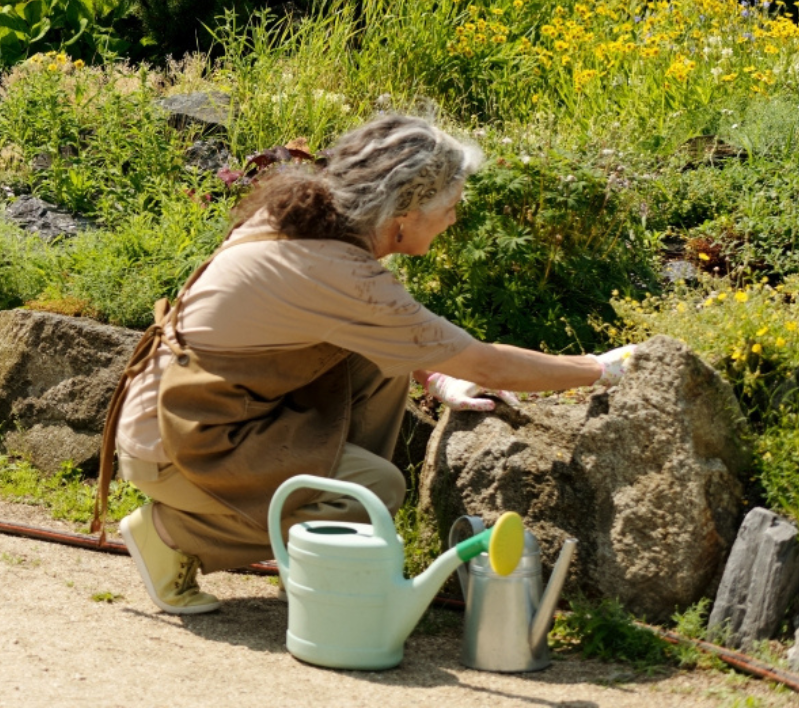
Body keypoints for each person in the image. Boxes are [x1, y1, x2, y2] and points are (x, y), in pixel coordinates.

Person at [94, 114, 635, 615]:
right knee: (376, 492)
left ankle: (314, 547)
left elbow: (398, 343)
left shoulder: (308, 222)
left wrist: (436, 372)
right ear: (403, 216)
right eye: (451, 204)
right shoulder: (337, 271)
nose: (454, 216)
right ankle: (171, 535)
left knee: (384, 366)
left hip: (195, 413)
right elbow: (488, 364)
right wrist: (600, 369)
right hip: (177, 444)